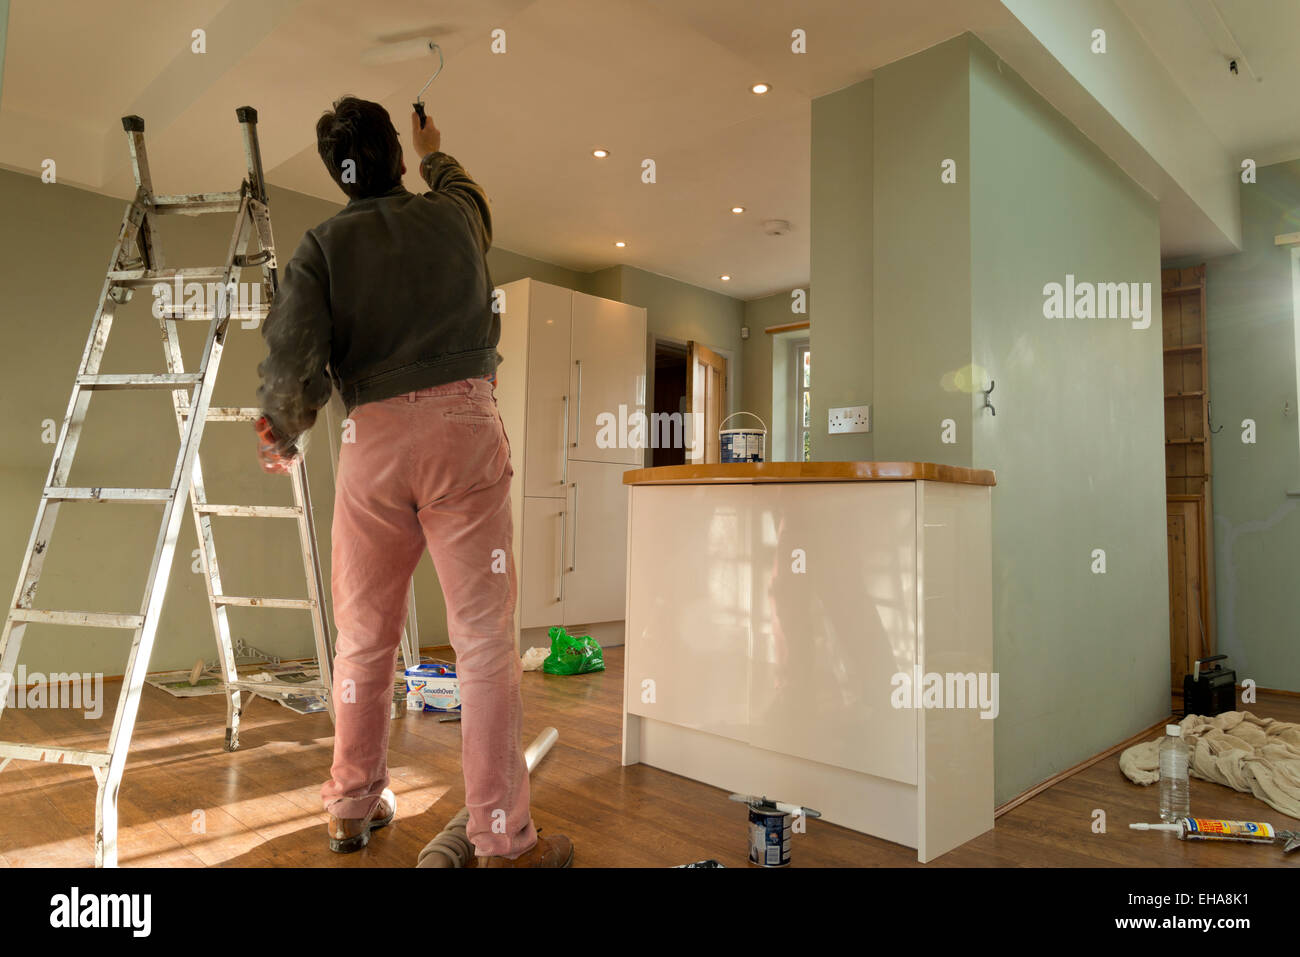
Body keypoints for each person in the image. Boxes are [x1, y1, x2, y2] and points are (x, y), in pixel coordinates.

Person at [253, 95, 572, 868]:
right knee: (485, 643)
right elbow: (474, 197)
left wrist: (284, 431)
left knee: (362, 638)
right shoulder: (453, 215)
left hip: (373, 442)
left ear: (339, 174)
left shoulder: (323, 245)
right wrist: (435, 148)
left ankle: (351, 808)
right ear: (396, 155)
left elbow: (294, 353)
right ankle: (501, 838)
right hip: (463, 429)